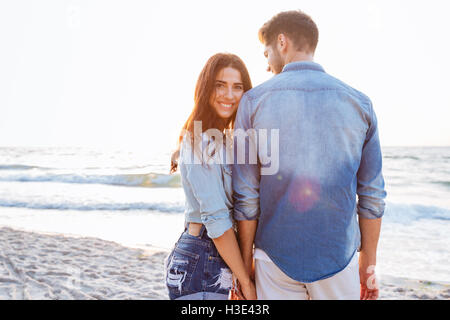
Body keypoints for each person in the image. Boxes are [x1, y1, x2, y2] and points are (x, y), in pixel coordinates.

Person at [233, 10, 386, 300]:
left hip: (273, 259)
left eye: (266, 54)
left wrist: (245, 261)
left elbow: (246, 195)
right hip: (340, 259)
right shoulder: (360, 103)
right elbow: (372, 194)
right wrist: (369, 262)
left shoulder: (253, 102)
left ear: (281, 42)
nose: (266, 65)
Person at [165, 53, 257, 300]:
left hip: (214, 259)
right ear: (206, 88)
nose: (229, 95)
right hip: (204, 258)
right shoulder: (199, 141)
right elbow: (216, 221)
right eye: (220, 85)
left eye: (237, 87)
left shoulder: (218, 139)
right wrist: (246, 282)